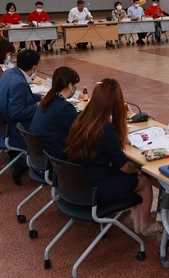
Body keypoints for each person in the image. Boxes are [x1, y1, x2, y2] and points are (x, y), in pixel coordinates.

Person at [65, 78, 161, 236]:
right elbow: (123, 166)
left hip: (81, 182)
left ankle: (139, 222)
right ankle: (145, 225)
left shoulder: (81, 118)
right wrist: (136, 168)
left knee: (131, 177)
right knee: (143, 180)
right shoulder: (106, 129)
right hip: (98, 188)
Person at [0, 49, 42, 156]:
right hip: (17, 127)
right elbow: (16, 113)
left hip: (3, 119)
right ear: (34, 67)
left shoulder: (8, 73)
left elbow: (22, 96)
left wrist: (40, 97)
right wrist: (37, 106)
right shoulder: (19, 83)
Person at [30, 66, 80, 160]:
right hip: (58, 155)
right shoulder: (63, 108)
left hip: (44, 152)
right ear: (70, 86)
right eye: (74, 86)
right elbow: (79, 130)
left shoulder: (47, 100)